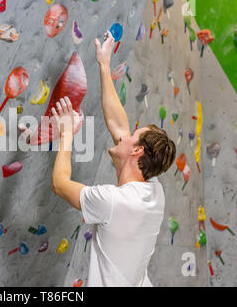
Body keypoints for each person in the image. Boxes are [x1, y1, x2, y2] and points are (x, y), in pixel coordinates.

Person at [50, 30, 176, 287]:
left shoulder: (112, 202)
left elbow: (60, 184)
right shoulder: (153, 192)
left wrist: (66, 133)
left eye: (134, 135)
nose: (125, 134)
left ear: (137, 151)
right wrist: (104, 65)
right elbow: (120, 126)